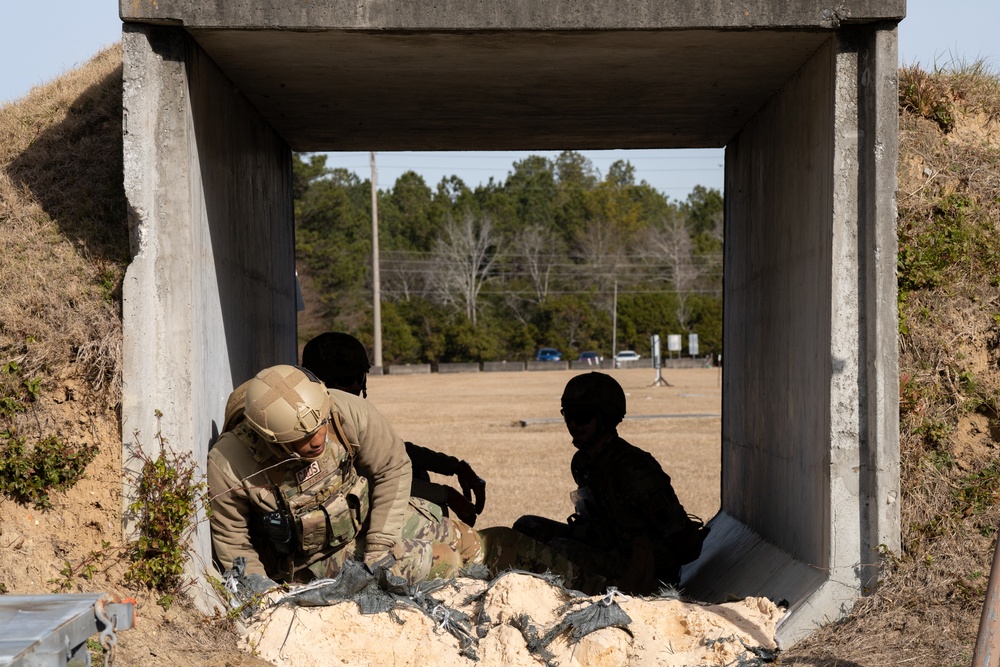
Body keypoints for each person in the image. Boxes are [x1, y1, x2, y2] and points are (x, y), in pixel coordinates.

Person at [208, 364, 482, 586]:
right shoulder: (230, 463)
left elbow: (393, 465)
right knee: (447, 562)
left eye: (321, 425)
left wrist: (379, 547)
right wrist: (264, 596)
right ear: (270, 439)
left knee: (470, 544)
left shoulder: (343, 410)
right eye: (301, 438)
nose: (318, 440)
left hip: (366, 525)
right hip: (312, 563)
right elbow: (233, 542)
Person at [513, 372, 708, 594]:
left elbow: (688, 546)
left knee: (561, 549)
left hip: (648, 572)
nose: (573, 425)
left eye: (583, 416)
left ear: (605, 418)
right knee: (527, 527)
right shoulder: (583, 463)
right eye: (568, 415)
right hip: (607, 547)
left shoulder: (635, 470)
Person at [301, 332, 487, 527]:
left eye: (360, 377)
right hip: (339, 521)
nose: (356, 385)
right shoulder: (319, 424)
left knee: (417, 472)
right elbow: (377, 479)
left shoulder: (342, 411)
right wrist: (445, 494)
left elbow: (391, 449)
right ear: (322, 381)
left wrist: (454, 466)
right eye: (346, 379)